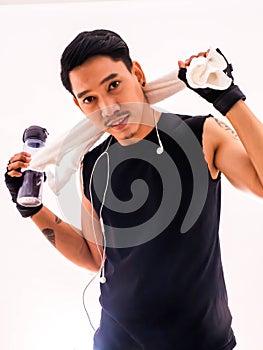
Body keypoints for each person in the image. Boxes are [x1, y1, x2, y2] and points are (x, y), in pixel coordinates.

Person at [5, 29, 263, 350]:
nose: (109, 107)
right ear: (79, 105)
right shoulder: (93, 163)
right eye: (90, 99)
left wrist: (228, 98)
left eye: (114, 85)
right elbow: (93, 255)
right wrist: (32, 209)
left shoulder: (201, 134)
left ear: (136, 74)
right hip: (115, 342)